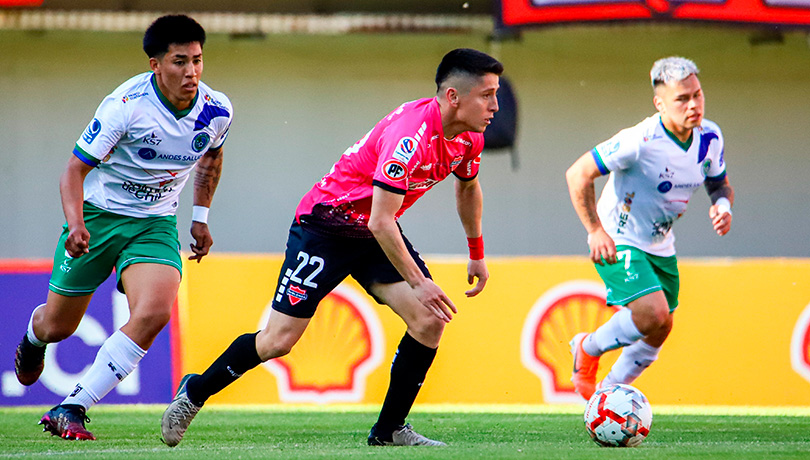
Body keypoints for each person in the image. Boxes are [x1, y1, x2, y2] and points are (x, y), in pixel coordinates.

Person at [160, 48, 501, 447]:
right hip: (325, 227)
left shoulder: (469, 139)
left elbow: (468, 188)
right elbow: (381, 218)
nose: (495, 105)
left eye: (495, 94)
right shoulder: (410, 137)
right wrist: (419, 283)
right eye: (487, 95)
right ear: (453, 97)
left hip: (372, 233)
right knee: (278, 341)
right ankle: (196, 391)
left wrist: (476, 251)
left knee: (429, 321)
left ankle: (389, 430)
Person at [13, 14, 233, 440]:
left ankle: (72, 406)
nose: (191, 72)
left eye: (198, 60)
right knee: (59, 326)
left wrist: (200, 218)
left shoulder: (217, 109)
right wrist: (76, 225)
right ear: (156, 65)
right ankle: (33, 337)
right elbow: (73, 171)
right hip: (98, 219)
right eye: (179, 62)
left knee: (153, 313)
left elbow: (211, 157)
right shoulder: (125, 108)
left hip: (154, 224)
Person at [564, 56, 734, 400]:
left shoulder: (710, 136)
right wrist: (595, 230)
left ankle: (609, 394)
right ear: (660, 103)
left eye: (697, 95)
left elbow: (719, 183)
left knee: (662, 326)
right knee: (652, 312)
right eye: (682, 99)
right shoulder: (638, 141)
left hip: (660, 243)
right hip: (619, 237)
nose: (693, 105)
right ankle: (588, 347)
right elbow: (577, 173)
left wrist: (722, 204)